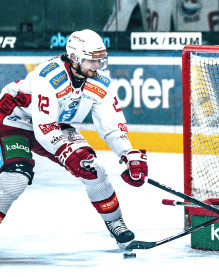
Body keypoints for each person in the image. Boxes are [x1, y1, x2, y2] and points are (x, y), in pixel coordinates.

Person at [0, 29, 148, 250]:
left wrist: (128, 154)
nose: (98, 66)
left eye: (100, 60)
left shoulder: (101, 84)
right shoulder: (48, 76)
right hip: (16, 120)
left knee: (93, 168)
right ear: (75, 58)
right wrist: (67, 151)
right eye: (92, 61)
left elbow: (112, 127)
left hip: (56, 125)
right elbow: (44, 127)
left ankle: (116, 223)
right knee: (17, 176)